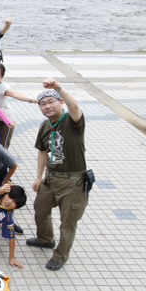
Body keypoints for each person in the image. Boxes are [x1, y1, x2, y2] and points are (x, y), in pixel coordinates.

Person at [27, 78, 88, 271]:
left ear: (60, 102)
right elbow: (42, 151)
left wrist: (58, 87)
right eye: (42, 104)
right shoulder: (45, 125)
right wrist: (39, 177)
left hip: (74, 181)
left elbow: (75, 105)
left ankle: (60, 256)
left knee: (67, 222)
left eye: (51, 101)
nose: (47, 106)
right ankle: (45, 239)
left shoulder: (72, 120)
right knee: (40, 209)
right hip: (51, 177)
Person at [0, 63, 37, 149]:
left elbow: (15, 94)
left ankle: (2, 162)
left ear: (2, 77)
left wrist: (31, 100)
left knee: (2, 147)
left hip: (5, 120)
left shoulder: (3, 87)